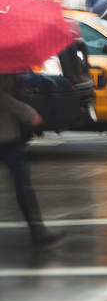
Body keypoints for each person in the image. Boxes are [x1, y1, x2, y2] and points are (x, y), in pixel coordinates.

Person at [0, 74, 67, 247]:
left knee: (23, 181)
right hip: (6, 134)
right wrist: (27, 112)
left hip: (9, 136)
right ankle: (38, 231)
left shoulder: (9, 69)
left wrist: (18, 84)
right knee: (22, 180)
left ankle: (38, 231)